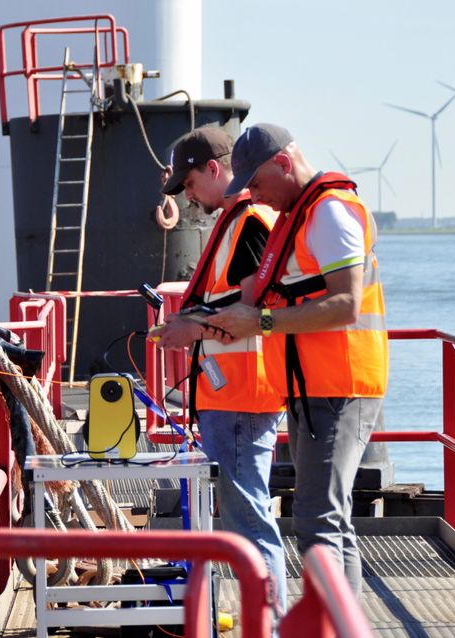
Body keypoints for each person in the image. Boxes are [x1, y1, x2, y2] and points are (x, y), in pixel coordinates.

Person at [206, 123, 388, 597]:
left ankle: (332, 627)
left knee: (317, 523)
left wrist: (260, 323)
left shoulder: (327, 213)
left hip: (338, 387)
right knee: (329, 519)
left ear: (283, 164)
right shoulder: (302, 214)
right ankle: (342, 625)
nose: (254, 194)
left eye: (257, 182)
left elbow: (345, 305)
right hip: (314, 388)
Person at [149, 127, 288, 612]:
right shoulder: (239, 222)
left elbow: (252, 316)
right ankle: (267, 620)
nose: (187, 198)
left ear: (214, 169)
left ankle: (269, 624)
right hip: (233, 398)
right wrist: (190, 323)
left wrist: (193, 329)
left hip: (242, 399)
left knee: (248, 522)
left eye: (188, 184)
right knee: (244, 519)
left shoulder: (249, 223)